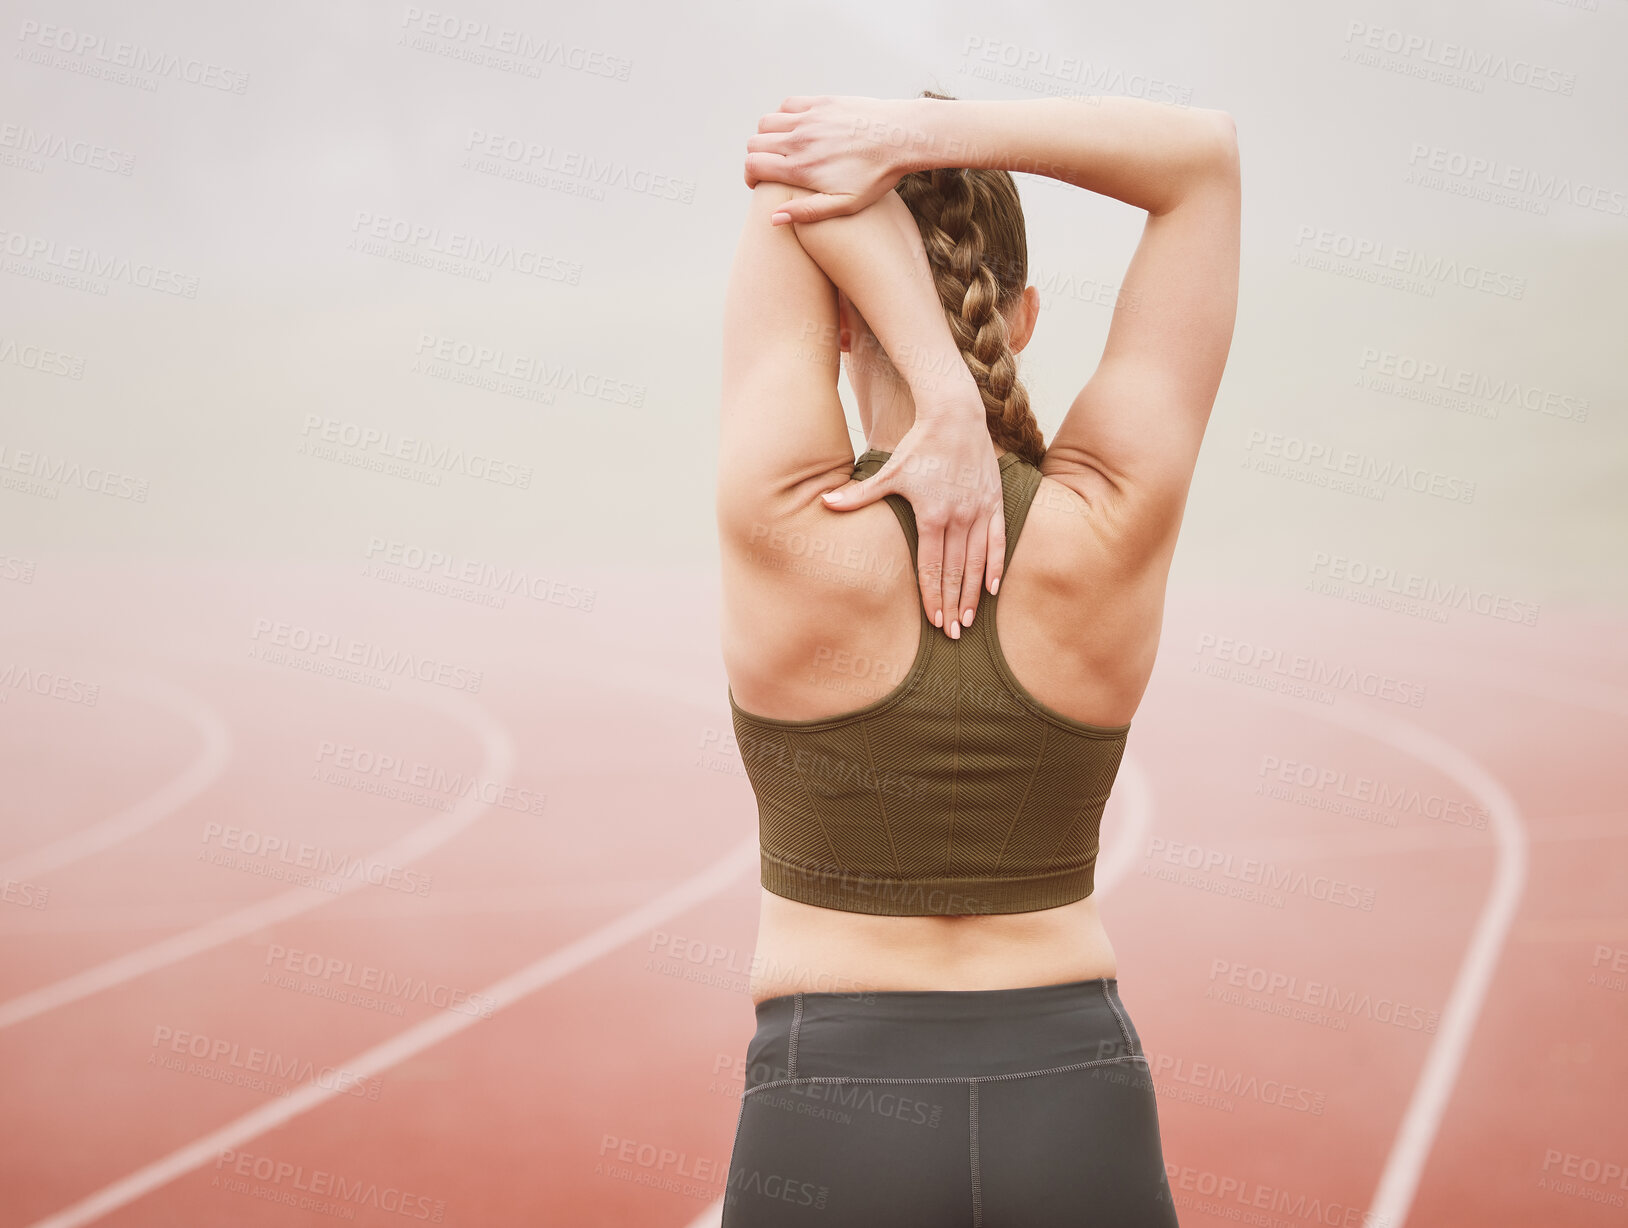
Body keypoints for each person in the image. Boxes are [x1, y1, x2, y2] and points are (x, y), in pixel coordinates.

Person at [714, 89, 1240, 1227]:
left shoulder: (788, 521)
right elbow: (1200, 159)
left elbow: (784, 162)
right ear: (1026, 313)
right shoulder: (1104, 521)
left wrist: (933, 385)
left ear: (843, 315)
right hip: (1074, 1099)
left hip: (828, 1105)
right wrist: (924, 141)